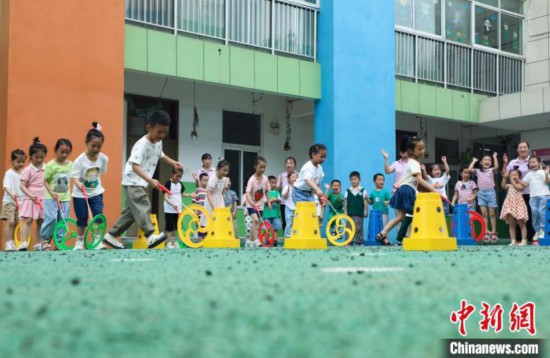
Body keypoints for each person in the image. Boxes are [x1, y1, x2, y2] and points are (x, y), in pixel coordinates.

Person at [102, 110, 183, 249]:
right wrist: (151, 181)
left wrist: (173, 163)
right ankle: (150, 236)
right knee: (143, 204)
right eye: (159, 132)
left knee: (131, 214)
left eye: (165, 132)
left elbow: (160, 155)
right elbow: (134, 166)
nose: (162, 135)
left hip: (140, 182)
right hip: (133, 180)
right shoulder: (141, 145)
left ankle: (110, 236)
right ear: (148, 127)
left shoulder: (158, 142)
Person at [377, 137, 437, 246]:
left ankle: (382, 233)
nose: (422, 151)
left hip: (404, 189)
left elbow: (407, 179)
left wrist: (400, 185)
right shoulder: (414, 163)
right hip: (407, 191)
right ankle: (409, 238)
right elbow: (419, 180)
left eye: (423, 148)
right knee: (416, 214)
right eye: (419, 149)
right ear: (411, 151)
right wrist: (434, 190)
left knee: (401, 217)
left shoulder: (411, 162)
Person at [71, 122, 109, 251]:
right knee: (82, 218)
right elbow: (74, 177)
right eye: (93, 146)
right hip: (80, 194)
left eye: (99, 146)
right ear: (87, 143)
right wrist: (78, 183)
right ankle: (79, 242)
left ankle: (97, 241)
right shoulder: (79, 160)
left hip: (96, 192)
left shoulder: (104, 159)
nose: (96, 149)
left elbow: (101, 173)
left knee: (98, 215)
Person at [41, 138, 73, 251]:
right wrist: (52, 193)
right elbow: (45, 181)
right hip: (51, 198)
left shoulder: (71, 165)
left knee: (63, 220)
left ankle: (59, 242)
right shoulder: (50, 165)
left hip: (65, 198)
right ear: (56, 150)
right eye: (61, 151)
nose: (64, 154)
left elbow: (75, 177)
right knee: (51, 218)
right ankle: (45, 240)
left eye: (67, 152)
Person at [19, 138, 47, 251]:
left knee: (41, 221)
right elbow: (22, 186)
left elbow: (48, 183)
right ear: (30, 156)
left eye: (42, 157)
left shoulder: (47, 168)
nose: (39, 159)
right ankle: (24, 242)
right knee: (28, 220)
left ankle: (38, 244)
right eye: (36, 157)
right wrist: (31, 196)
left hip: (43, 198)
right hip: (30, 198)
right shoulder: (28, 169)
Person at [504, 142, 535, 240]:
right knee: (516, 216)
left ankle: (530, 238)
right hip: (516, 195)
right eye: (520, 147)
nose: (522, 149)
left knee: (530, 215)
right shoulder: (513, 162)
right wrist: (505, 163)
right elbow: (505, 174)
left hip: (530, 192)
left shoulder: (532, 160)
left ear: (528, 149)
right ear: (517, 150)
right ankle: (518, 239)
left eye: (524, 147)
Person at [516, 156, 550, 245]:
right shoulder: (529, 174)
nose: (532, 164)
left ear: (539, 163)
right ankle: (537, 231)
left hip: (543, 195)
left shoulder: (543, 172)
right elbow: (526, 184)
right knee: (534, 213)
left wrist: (546, 173)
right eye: (530, 162)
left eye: (534, 162)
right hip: (533, 197)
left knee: (542, 212)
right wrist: (518, 180)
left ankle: (543, 230)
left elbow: (546, 182)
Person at [468, 152, 499, 243]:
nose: (487, 161)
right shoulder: (478, 171)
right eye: (485, 160)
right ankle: (486, 232)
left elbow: (496, 166)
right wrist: (474, 161)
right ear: (481, 162)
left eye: (489, 160)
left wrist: (494, 157)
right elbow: (470, 169)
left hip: (490, 193)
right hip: (481, 193)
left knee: (492, 213)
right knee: (484, 213)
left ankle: (493, 232)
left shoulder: (491, 170)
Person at [162, 167, 195, 249]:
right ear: (172, 174)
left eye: (180, 177)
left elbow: (181, 194)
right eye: (177, 176)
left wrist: (189, 195)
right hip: (169, 209)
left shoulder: (180, 184)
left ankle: (175, 242)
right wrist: (172, 204)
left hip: (178, 209)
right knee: (169, 227)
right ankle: (169, 243)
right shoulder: (168, 184)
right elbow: (166, 197)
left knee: (177, 226)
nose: (178, 178)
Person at [1, 149, 26, 251]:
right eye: (18, 161)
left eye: (23, 162)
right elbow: (6, 187)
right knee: (10, 222)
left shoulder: (24, 173)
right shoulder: (9, 173)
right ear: (12, 161)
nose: (21, 164)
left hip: (21, 202)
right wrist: (12, 195)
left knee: (17, 223)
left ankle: (14, 243)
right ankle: (8, 243)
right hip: (9, 202)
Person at [245, 157, 272, 248]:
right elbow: (247, 192)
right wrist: (250, 201)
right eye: (260, 167)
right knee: (256, 220)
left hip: (260, 205)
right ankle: (256, 239)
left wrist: (268, 202)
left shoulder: (265, 179)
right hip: (251, 204)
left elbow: (267, 191)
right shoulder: (251, 179)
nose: (262, 169)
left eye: (264, 167)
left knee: (255, 222)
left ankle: (250, 241)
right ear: (255, 166)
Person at [500, 168, 528, 246]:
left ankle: (524, 240)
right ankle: (513, 240)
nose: (513, 176)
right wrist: (505, 178)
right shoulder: (509, 185)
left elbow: (517, 187)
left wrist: (511, 179)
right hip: (510, 205)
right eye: (511, 175)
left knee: (521, 223)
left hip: (518, 205)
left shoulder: (521, 184)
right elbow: (503, 185)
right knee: (511, 224)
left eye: (515, 175)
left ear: (519, 176)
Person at [344, 172, 369, 245]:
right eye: (351, 179)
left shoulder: (363, 190)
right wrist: (345, 211)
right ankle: (349, 242)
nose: (353, 181)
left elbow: (365, 202)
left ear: (359, 180)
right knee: (349, 228)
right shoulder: (348, 191)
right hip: (349, 213)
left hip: (359, 213)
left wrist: (366, 211)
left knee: (358, 228)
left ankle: (359, 242)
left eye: (355, 179)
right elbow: (346, 202)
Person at [277, 157, 297, 229]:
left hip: (295, 202)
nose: (289, 165)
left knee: (296, 220)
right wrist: (280, 184)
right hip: (284, 202)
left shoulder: (298, 175)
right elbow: (278, 190)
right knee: (285, 221)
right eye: (287, 163)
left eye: (291, 163)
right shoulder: (281, 175)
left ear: (294, 165)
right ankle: (286, 238)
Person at [264, 176, 283, 246]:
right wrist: (271, 201)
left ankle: (275, 241)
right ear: (267, 183)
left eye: (275, 183)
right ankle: (267, 241)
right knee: (267, 229)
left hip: (275, 214)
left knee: (275, 229)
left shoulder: (276, 192)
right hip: (267, 214)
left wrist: (275, 200)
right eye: (272, 182)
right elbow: (264, 201)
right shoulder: (265, 192)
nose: (274, 184)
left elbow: (279, 200)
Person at [282, 171, 298, 238]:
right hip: (289, 207)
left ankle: (295, 236)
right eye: (293, 177)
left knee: (297, 223)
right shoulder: (286, 187)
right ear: (289, 179)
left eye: (296, 177)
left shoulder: (298, 188)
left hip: (297, 207)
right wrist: (288, 191)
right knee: (289, 223)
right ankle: (288, 237)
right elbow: (284, 197)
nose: (295, 178)